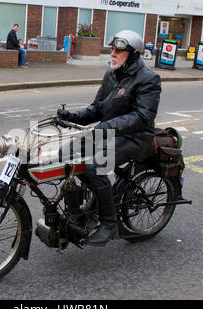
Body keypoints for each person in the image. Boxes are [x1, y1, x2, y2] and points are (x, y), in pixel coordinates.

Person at [57, 30, 161, 247]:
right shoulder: (111, 74)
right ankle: (92, 203)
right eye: (112, 49)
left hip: (136, 138)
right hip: (108, 134)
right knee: (66, 153)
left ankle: (109, 223)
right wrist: (72, 117)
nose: (112, 53)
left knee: (95, 166)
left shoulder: (148, 79)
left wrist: (107, 127)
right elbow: (97, 109)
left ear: (132, 54)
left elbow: (143, 117)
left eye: (118, 50)